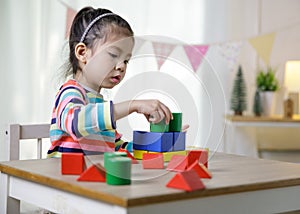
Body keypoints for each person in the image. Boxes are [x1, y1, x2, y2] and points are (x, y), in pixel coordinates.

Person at [47, 7, 173, 157]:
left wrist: (159, 142)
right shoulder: (70, 92)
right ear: (82, 53)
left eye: (126, 60)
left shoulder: (101, 109)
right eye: (113, 54)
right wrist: (133, 105)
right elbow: (75, 123)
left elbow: (117, 148)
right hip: (61, 178)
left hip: (92, 178)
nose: (121, 66)